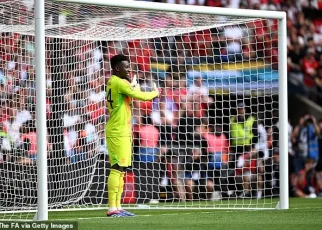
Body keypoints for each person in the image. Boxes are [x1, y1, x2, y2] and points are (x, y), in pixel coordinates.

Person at [105, 54, 160, 217]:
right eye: (125, 66)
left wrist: (133, 85)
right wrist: (155, 93)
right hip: (117, 131)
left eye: (129, 66)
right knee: (116, 169)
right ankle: (111, 208)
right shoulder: (119, 82)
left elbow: (131, 94)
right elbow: (141, 97)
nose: (129, 69)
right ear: (116, 68)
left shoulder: (115, 83)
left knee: (121, 170)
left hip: (122, 131)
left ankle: (118, 206)